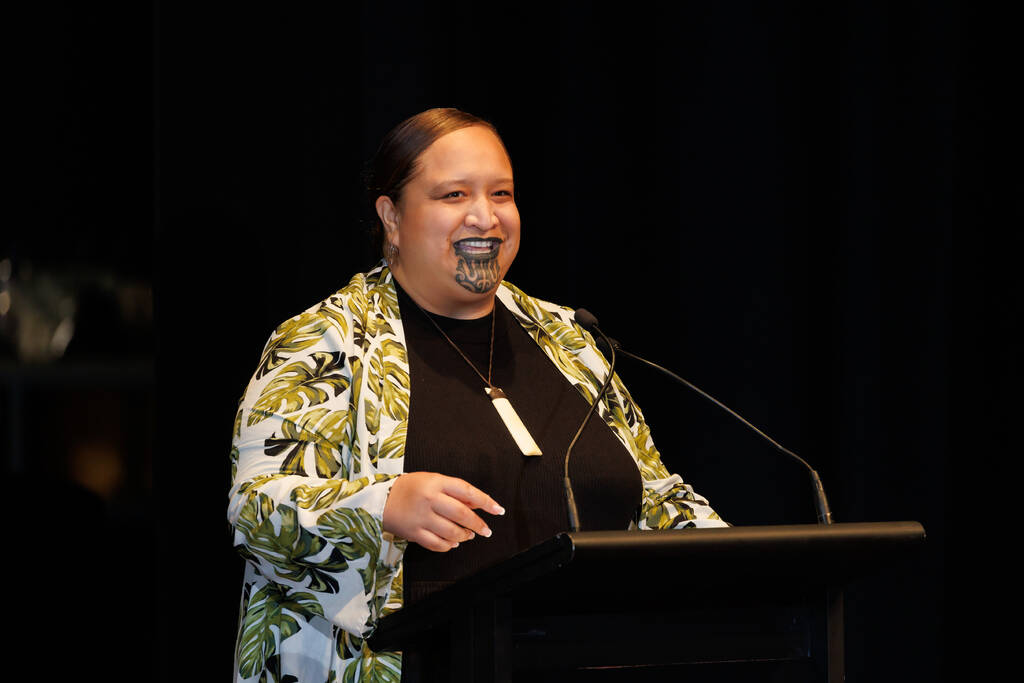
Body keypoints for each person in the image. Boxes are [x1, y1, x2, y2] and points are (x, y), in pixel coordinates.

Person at [227, 107, 727, 682]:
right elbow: (256, 511)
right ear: (391, 217)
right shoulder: (328, 341)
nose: (485, 217)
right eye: (453, 195)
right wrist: (382, 505)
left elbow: (655, 499)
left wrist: (746, 565)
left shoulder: (567, 338)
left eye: (502, 193)